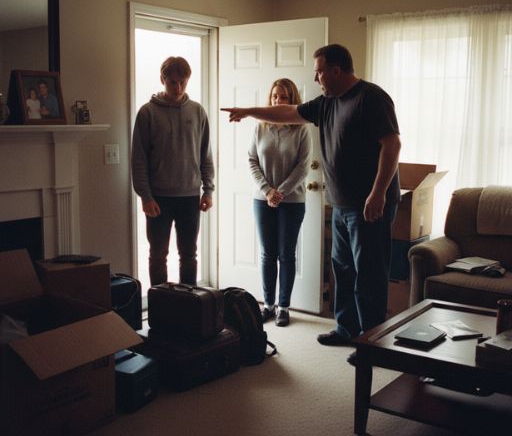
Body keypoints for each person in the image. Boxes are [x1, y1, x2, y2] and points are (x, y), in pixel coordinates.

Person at [222, 44, 401, 350]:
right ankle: (346, 329)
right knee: (342, 271)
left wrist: (378, 193)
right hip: (341, 204)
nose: (316, 78)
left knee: (369, 276)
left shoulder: (371, 98)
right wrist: (250, 111)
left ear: (336, 70)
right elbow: (288, 112)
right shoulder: (327, 102)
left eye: (319, 71)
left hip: (368, 205)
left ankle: (370, 345)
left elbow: (392, 145)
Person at [131, 56, 214, 286]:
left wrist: (208, 191)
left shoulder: (198, 112)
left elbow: (206, 155)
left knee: (189, 255)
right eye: (172, 82)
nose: (178, 88)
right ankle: (160, 305)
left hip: (190, 196)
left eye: (183, 82)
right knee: (158, 255)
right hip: (158, 198)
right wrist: (145, 197)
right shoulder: (147, 112)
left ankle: (189, 302)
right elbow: (138, 159)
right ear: (162, 80)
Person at [249, 78, 312, 327]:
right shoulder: (260, 127)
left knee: (286, 254)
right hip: (262, 200)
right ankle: (268, 305)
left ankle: (283, 307)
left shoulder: (302, 129)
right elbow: (252, 160)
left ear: (292, 100)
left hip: (292, 201)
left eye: (283, 97)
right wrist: (267, 191)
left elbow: (303, 166)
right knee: (267, 254)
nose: (278, 101)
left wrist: (280, 193)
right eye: (275, 96)